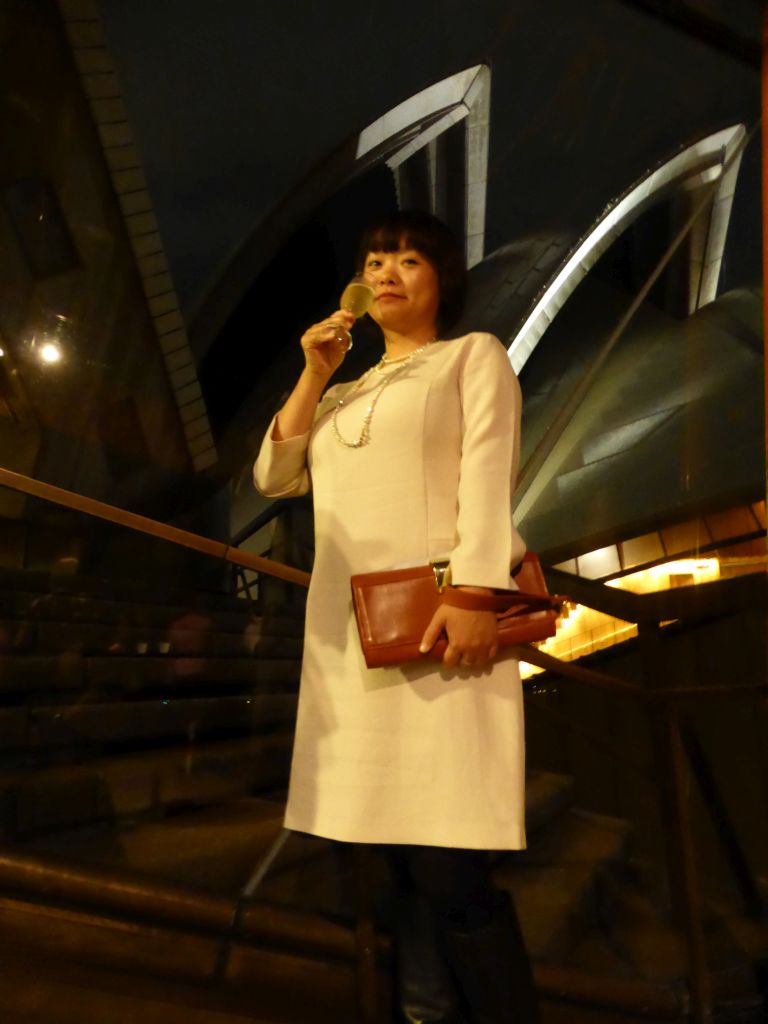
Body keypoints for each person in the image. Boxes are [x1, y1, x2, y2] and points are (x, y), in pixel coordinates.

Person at [254, 211, 539, 1023]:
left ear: (441, 280)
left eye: (409, 260)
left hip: (438, 630)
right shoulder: (347, 389)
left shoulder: (469, 358)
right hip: (351, 645)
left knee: (453, 869)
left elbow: (487, 471)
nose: (386, 273)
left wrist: (477, 591)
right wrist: (314, 373)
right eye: (376, 260)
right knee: (401, 870)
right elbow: (274, 475)